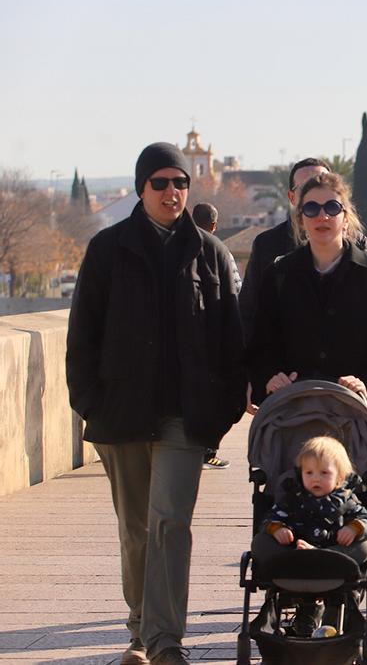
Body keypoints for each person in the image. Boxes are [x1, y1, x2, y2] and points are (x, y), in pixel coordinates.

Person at [66, 142, 246, 665]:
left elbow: (231, 342)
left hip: (185, 417)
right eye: (161, 183)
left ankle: (166, 640)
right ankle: (140, 629)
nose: (173, 192)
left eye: (180, 183)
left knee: (170, 520)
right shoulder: (107, 250)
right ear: (142, 188)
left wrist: (221, 411)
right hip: (120, 414)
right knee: (136, 529)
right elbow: (83, 337)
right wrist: (90, 404)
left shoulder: (210, 252)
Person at [245, 171, 367, 560]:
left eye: (331, 207)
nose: (322, 216)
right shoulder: (281, 274)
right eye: (312, 208)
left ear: (345, 215)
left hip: (359, 413)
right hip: (295, 410)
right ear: (300, 217)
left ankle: (354, 580)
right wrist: (269, 376)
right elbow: (260, 342)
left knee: (363, 500)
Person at [240, 158, 367, 341]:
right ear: (292, 198)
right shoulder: (267, 246)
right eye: (306, 186)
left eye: (323, 182)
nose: (316, 190)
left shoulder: (360, 246)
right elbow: (249, 312)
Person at [250, 436, 367, 636]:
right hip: (294, 559)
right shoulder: (292, 498)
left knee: (364, 547)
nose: (315, 478)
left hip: (334, 561)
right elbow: (270, 519)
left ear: (340, 477)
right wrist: (277, 529)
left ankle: (319, 555)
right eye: (309, 473)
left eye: (324, 473)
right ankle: (304, 611)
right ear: (300, 473)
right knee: (260, 542)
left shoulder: (347, 501)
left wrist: (354, 528)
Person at [191, 202, 239, 471]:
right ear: (214, 225)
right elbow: (237, 292)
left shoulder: (175, 248)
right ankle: (207, 449)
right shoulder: (222, 252)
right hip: (216, 338)